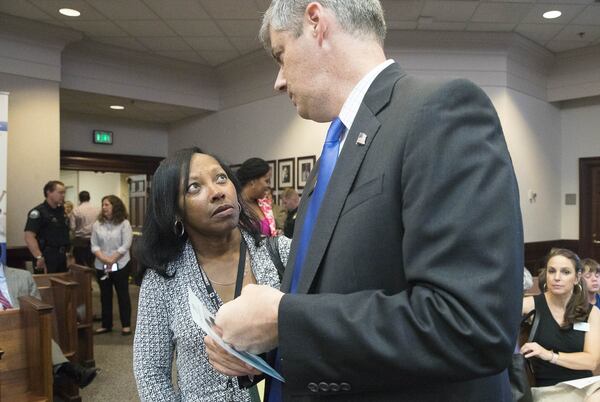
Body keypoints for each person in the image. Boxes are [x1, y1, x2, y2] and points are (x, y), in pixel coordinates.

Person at [206, 1, 524, 401]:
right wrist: (269, 347)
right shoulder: (336, 150)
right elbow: (325, 294)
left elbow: (470, 325)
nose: (279, 81)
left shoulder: (440, 112)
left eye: (280, 56)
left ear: (316, 21)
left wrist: (284, 322)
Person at [133, 147, 290, 401]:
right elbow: (151, 372)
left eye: (221, 178)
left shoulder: (282, 253)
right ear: (174, 211)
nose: (217, 192)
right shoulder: (163, 279)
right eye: (194, 187)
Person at [0, 258, 97, 388]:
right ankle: (66, 368)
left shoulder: (22, 276)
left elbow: (38, 307)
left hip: (25, 327)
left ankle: (64, 370)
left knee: (38, 333)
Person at [520, 249, 600, 398]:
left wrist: (550, 355)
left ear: (577, 278)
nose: (557, 277)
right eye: (552, 271)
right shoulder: (529, 305)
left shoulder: (592, 312)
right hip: (548, 389)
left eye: (565, 272)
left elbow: (591, 362)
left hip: (587, 385)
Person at [91, 195, 133, 335]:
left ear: (115, 206)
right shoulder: (97, 224)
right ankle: (106, 324)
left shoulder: (124, 223)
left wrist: (112, 259)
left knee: (123, 294)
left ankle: (126, 325)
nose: (104, 207)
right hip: (101, 264)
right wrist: (105, 259)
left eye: (107, 205)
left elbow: (126, 244)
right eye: (103, 205)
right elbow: (94, 245)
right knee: (105, 295)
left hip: (121, 264)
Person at [24, 180, 70, 273]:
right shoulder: (38, 212)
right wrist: (39, 257)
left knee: (62, 285)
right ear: (49, 192)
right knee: (47, 285)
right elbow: (29, 237)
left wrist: (68, 254)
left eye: (64, 193)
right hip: (46, 256)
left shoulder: (61, 211)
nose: (63, 195)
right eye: (60, 192)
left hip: (61, 256)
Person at [237, 158, 277, 237]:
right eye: (267, 181)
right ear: (253, 181)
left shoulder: (264, 204)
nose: (268, 185)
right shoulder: (236, 206)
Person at [71, 191, 100, 268]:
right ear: (89, 198)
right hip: (95, 240)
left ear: (79, 199)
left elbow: (72, 227)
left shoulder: (76, 210)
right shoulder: (97, 209)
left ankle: (82, 280)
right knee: (93, 263)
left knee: (80, 264)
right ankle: (93, 279)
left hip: (80, 241)